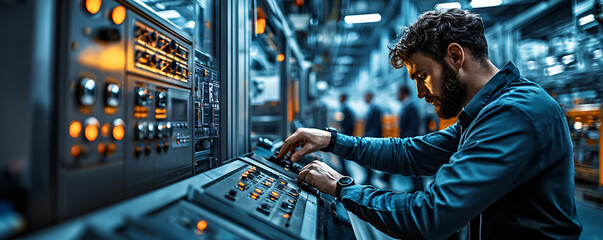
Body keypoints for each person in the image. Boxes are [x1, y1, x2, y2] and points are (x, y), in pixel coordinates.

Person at [277, 8, 581, 239]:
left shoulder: (515, 114)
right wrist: (332, 140)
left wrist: (342, 187)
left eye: (422, 76)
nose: (421, 93)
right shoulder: (488, 111)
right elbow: (411, 153)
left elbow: (432, 216)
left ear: (454, 56)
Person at [336, 94, 355, 176]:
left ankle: (346, 172)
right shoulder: (344, 109)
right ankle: (344, 171)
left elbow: (349, 125)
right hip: (346, 134)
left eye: (340, 97)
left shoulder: (347, 110)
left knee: (341, 154)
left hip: (346, 136)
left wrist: (343, 133)